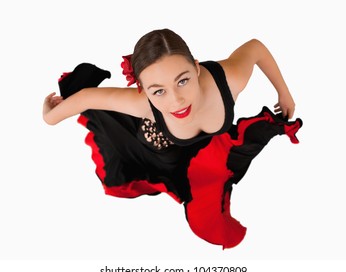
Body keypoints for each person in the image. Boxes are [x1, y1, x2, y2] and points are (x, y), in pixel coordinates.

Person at [43, 28, 302, 249]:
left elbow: (255, 48)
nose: (176, 101)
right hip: (159, 150)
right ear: (143, 90)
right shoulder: (141, 104)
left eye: (183, 81)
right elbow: (88, 98)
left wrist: (285, 93)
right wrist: (49, 115)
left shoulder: (231, 79)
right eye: (158, 91)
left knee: (209, 216)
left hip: (206, 151)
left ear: (197, 68)